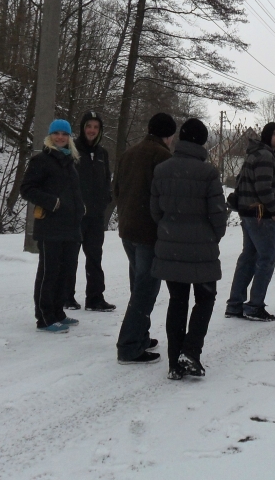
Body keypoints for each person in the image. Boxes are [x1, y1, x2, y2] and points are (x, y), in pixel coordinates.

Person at [150, 118, 229, 380]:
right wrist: (212, 237)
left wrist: (169, 231)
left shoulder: (162, 170)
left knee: (177, 301)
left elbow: (155, 211)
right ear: (203, 142)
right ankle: (191, 351)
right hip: (201, 249)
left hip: (170, 247)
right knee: (205, 298)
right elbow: (218, 214)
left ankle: (175, 362)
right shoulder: (208, 173)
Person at [113, 113, 176, 364]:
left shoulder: (129, 154)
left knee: (138, 286)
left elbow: (116, 189)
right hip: (149, 233)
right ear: (169, 135)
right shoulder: (163, 157)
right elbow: (166, 199)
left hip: (127, 229)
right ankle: (129, 346)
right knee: (145, 291)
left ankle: (140, 335)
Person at [20, 119, 86, 334]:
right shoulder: (41, 160)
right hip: (50, 226)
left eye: (64, 134)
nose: (60, 137)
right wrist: (52, 202)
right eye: (56, 133)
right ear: (50, 136)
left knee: (64, 272)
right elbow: (27, 189)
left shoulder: (70, 161)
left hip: (70, 226)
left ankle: (58, 312)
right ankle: (44, 317)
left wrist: (80, 208)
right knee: (49, 273)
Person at [225, 122, 275, 322]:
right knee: (266, 259)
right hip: (261, 216)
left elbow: (246, 183)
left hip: (248, 213)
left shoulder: (253, 153)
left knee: (248, 258)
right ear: (267, 135)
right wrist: (274, 210)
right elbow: (263, 188)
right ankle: (254, 307)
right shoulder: (265, 156)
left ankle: (234, 305)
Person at [61, 111, 116, 312]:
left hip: (96, 217)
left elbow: (106, 179)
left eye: (96, 127)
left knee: (95, 258)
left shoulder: (102, 154)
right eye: (89, 126)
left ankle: (95, 298)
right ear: (83, 128)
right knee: (70, 258)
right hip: (75, 216)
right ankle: (66, 297)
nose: (92, 130)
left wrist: (105, 199)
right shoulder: (71, 150)